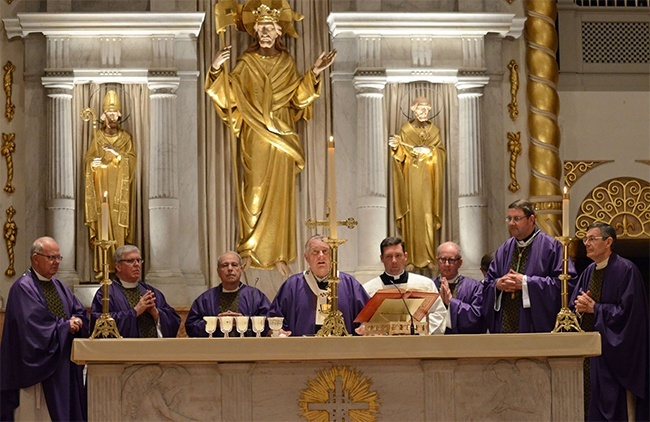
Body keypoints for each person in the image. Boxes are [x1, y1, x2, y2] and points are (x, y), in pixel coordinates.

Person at [205, 0, 336, 275]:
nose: (265, 32)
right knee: (253, 192)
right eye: (260, 27)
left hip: (283, 136)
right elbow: (229, 97)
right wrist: (217, 70)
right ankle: (250, 250)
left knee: (281, 197)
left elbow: (298, 99)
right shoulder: (245, 63)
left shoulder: (287, 63)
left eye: (270, 28)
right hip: (255, 135)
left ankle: (279, 255)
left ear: (279, 32)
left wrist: (313, 73)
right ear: (255, 32)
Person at [0, 236, 88, 421]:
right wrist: (65, 326)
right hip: (38, 368)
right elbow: (32, 326)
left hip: (63, 362)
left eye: (58, 258)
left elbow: (78, 310)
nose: (56, 262)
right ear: (35, 258)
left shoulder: (59, 286)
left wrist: (78, 320)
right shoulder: (23, 287)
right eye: (51, 258)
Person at [570, 222, 648, 421]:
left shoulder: (626, 270)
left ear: (608, 242)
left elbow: (629, 315)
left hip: (612, 357)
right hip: (588, 355)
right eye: (585, 239)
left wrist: (595, 308)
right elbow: (573, 309)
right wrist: (579, 308)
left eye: (592, 239)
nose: (586, 243)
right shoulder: (588, 271)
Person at [482, 199, 575, 333]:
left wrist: (526, 283)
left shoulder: (551, 247)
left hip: (533, 325)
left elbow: (565, 284)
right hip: (506, 326)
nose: (512, 223)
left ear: (531, 219)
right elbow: (487, 283)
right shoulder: (504, 249)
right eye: (509, 219)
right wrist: (498, 285)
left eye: (517, 218)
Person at [268, 235, 369, 336]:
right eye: (315, 252)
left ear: (332, 255)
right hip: (302, 349)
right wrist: (277, 331)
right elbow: (274, 319)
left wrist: (365, 326)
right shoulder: (292, 286)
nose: (321, 256)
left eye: (325, 251)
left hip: (342, 349)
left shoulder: (349, 284)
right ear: (306, 257)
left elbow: (369, 315)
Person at [84, 89, 136, 277]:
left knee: (118, 225)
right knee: (103, 227)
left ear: (120, 115)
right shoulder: (97, 138)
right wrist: (93, 164)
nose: (112, 117)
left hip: (119, 193)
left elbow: (131, 162)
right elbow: (89, 160)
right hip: (102, 189)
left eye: (115, 113)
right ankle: (103, 266)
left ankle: (121, 268)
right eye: (109, 113)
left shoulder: (125, 139)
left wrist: (117, 155)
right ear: (103, 116)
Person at [390, 96, 446, 270]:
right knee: (413, 213)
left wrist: (430, 150)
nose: (424, 112)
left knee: (427, 213)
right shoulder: (406, 130)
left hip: (429, 177)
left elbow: (441, 153)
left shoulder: (435, 131)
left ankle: (429, 257)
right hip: (411, 176)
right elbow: (400, 155)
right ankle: (411, 258)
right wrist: (395, 147)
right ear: (413, 110)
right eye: (420, 109)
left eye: (426, 109)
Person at [90, 245, 180, 338]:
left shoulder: (150, 291)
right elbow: (99, 324)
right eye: (130, 261)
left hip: (153, 349)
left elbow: (173, 320)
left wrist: (156, 313)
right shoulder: (106, 293)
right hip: (125, 350)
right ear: (118, 266)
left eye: (139, 260)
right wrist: (135, 311)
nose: (137, 264)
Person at [362, 236, 446, 334]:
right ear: (382, 258)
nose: (394, 261)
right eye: (389, 256)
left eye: (398, 255)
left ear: (405, 256)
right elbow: (363, 322)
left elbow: (439, 313)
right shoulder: (368, 289)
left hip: (416, 343)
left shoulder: (425, 285)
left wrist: (417, 330)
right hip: (384, 345)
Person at [185, 251, 271, 337]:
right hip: (214, 348)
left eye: (234, 265)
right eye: (225, 265)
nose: (230, 269)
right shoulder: (206, 299)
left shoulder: (255, 296)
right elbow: (191, 327)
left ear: (241, 269)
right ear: (218, 271)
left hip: (247, 348)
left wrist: (245, 322)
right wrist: (214, 323)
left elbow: (269, 323)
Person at [432, 241, 485, 334]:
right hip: (433, 342)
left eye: (451, 260)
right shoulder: (429, 285)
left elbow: (477, 317)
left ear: (460, 262)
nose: (447, 264)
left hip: (462, 343)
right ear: (437, 261)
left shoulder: (474, 287)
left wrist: (451, 302)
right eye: (443, 259)